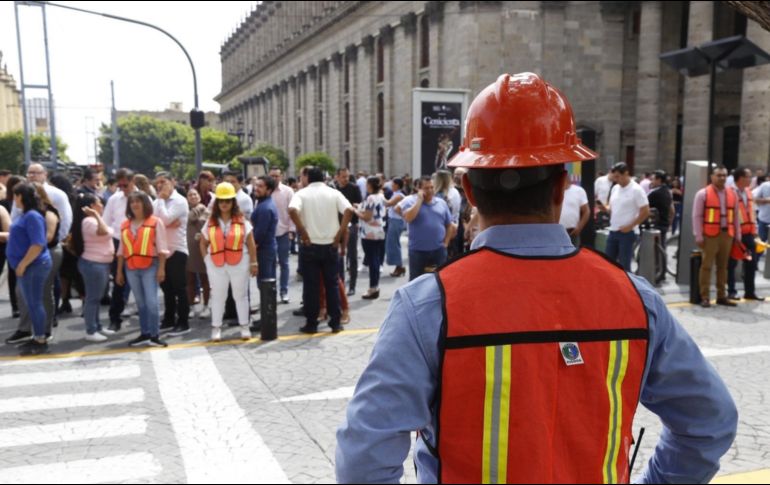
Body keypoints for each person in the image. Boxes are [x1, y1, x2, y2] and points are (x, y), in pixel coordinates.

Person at [336, 71, 738, 484]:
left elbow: (362, 462)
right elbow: (710, 422)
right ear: (562, 187)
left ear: (470, 191)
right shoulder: (635, 299)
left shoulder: (427, 306)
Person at [289, 166, 353, 334]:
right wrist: (340, 231)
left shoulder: (301, 194)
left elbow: (292, 210)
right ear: (324, 178)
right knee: (332, 284)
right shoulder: (334, 193)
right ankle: (335, 322)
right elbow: (349, 209)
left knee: (311, 286)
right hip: (330, 244)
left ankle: (312, 323)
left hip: (310, 244)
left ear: (308, 178)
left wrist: (302, 231)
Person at [199, 182, 258, 341]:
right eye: (221, 201)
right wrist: (207, 260)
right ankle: (216, 328)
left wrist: (253, 263)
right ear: (217, 203)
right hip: (216, 264)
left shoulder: (242, 221)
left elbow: (251, 243)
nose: (224, 204)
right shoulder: (210, 222)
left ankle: (244, 327)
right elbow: (203, 243)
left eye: (228, 200)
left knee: (241, 295)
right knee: (218, 296)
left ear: (233, 202)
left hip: (240, 262)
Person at [4, 183, 52, 356]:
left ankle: (40, 339)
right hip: (29, 266)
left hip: (33, 266)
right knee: (32, 303)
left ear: (21, 196)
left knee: (34, 303)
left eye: (16, 195)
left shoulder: (32, 216)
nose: (14, 198)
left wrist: (23, 264)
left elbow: (38, 244)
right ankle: (37, 335)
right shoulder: (27, 215)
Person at [116, 192, 169, 348]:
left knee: (152, 302)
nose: (134, 204)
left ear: (145, 203)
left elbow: (162, 248)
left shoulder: (155, 222)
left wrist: (161, 269)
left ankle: (154, 335)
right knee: (140, 303)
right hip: (131, 266)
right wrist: (119, 271)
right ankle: (145, 333)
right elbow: (121, 250)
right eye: (132, 202)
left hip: (150, 265)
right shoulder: (125, 224)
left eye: (138, 201)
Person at [693, 166, 741, 308]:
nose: (722, 178)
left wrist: (737, 235)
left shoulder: (732, 194)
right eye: (719, 175)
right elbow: (697, 216)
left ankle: (721, 296)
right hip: (710, 235)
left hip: (727, 235)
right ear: (712, 176)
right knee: (706, 266)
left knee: (723, 267)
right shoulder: (703, 194)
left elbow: (736, 217)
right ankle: (705, 296)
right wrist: (698, 235)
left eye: (724, 175)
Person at [71, 193, 115, 342]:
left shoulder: (91, 220)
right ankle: (90, 330)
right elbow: (104, 232)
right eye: (98, 203)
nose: (101, 205)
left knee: (96, 297)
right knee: (93, 298)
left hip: (98, 264)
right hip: (94, 264)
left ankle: (97, 326)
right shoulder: (89, 221)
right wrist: (96, 214)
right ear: (91, 207)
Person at [153, 172, 190, 337]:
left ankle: (183, 322)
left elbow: (164, 220)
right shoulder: (156, 201)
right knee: (166, 288)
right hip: (161, 251)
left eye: (164, 182)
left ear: (172, 182)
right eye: (158, 182)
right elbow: (153, 222)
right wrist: (164, 222)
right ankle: (169, 319)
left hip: (177, 249)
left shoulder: (180, 201)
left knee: (179, 288)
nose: (160, 185)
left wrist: (164, 220)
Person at [397, 176, 454, 281]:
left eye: (432, 187)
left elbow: (449, 225)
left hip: (438, 250)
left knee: (440, 280)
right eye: (426, 188)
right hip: (418, 251)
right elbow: (408, 218)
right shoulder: (411, 202)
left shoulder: (441, 203)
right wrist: (419, 200)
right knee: (416, 281)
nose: (430, 190)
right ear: (419, 189)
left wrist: (445, 243)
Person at [606, 162, 650, 271]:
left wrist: (631, 226)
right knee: (608, 263)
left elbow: (645, 211)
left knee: (624, 265)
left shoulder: (636, 189)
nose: (616, 179)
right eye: (614, 177)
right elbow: (613, 209)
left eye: (618, 176)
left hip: (627, 233)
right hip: (613, 230)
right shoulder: (615, 188)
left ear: (626, 174)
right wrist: (605, 209)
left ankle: (627, 287)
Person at [727, 167, 763, 301]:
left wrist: (755, 232)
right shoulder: (729, 192)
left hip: (748, 235)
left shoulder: (748, 192)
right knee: (732, 264)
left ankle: (750, 292)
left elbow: (752, 213)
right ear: (741, 178)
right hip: (735, 236)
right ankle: (731, 291)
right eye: (748, 176)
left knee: (751, 263)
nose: (751, 179)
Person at [251, 175, 279, 330]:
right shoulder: (263, 204)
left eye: (260, 186)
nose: (257, 188)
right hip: (266, 249)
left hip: (264, 251)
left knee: (266, 285)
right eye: (256, 185)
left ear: (269, 190)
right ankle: (266, 318)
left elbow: (258, 235)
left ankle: (267, 321)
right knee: (265, 285)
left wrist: (251, 252)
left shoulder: (265, 207)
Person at [355, 176, 387, 300]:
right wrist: (359, 207)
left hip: (369, 232)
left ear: (370, 185)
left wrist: (355, 211)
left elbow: (367, 217)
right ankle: (375, 286)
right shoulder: (381, 196)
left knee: (372, 260)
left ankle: (373, 287)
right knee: (376, 259)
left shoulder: (370, 198)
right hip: (379, 230)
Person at [335, 168, 362, 296]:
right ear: (337, 177)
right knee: (339, 256)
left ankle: (352, 285)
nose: (346, 179)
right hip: (336, 226)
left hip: (352, 225)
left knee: (352, 255)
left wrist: (353, 206)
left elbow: (359, 204)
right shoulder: (334, 189)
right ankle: (341, 284)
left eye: (347, 176)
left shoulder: (354, 188)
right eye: (343, 176)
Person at [270, 167, 294, 303]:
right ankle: (271, 291)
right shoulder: (265, 190)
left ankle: (284, 291)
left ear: (281, 176)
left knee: (284, 263)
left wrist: (291, 230)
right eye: (272, 176)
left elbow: (292, 212)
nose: (274, 178)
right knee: (271, 264)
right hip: (269, 234)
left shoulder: (288, 191)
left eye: (276, 176)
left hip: (284, 232)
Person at [186, 187, 211, 319]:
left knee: (205, 280)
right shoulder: (185, 211)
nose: (193, 197)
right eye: (190, 195)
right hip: (188, 250)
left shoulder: (206, 211)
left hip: (202, 250)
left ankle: (207, 306)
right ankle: (191, 306)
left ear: (199, 197)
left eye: (195, 194)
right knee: (189, 280)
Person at [384, 178, 406, 277]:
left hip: (397, 221)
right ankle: (398, 265)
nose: (391, 186)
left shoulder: (399, 195)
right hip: (393, 220)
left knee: (394, 243)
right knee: (392, 243)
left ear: (397, 185)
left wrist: (379, 195)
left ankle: (399, 266)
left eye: (393, 184)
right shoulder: (395, 194)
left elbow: (388, 203)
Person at [558, 180, 590, 247]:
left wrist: (579, 227)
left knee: (574, 255)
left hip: (572, 232)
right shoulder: (552, 191)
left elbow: (586, 211)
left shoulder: (579, 191)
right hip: (556, 232)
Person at [647, 170, 674, 247]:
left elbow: (644, 208)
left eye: (653, 179)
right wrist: (669, 223)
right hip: (664, 225)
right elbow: (672, 211)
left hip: (655, 226)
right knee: (661, 247)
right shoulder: (668, 192)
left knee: (652, 250)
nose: (651, 182)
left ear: (659, 180)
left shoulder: (654, 193)